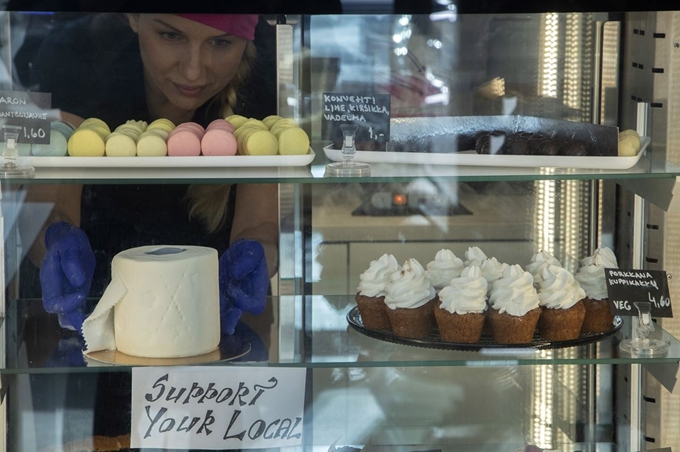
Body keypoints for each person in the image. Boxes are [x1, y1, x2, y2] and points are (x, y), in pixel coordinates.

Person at [16, 13, 280, 450]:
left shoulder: (262, 62)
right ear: (135, 17)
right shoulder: (75, 53)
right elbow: (54, 202)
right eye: (170, 35)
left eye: (221, 44)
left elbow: (259, 222)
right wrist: (55, 243)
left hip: (206, 332)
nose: (194, 70)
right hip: (85, 330)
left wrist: (258, 255)